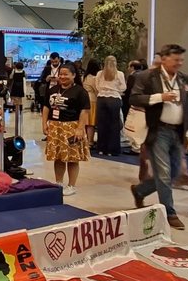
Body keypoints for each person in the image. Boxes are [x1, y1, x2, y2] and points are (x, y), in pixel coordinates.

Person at [130, 44, 188, 230]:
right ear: (163, 58)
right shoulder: (147, 77)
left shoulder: (183, 79)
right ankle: (169, 213)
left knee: (173, 172)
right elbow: (134, 98)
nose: (179, 63)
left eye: (181, 60)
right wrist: (159, 97)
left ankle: (140, 190)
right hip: (158, 131)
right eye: (175, 60)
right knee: (163, 173)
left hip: (177, 131)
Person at [42, 62, 90, 196]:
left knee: (72, 157)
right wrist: (44, 123)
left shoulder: (80, 91)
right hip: (55, 127)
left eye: (66, 74)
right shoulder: (53, 90)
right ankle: (58, 183)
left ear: (74, 75)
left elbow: (84, 111)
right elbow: (46, 107)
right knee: (58, 157)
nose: (62, 76)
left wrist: (80, 128)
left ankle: (72, 185)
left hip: (72, 127)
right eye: (60, 74)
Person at [93, 55, 126, 156]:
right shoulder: (119, 74)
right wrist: (115, 90)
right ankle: (113, 150)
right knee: (114, 125)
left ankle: (101, 149)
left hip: (102, 98)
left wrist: (104, 90)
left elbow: (97, 86)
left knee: (102, 125)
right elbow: (123, 87)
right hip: (114, 98)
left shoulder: (100, 73)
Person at [82, 59, 101, 145]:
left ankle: (85, 139)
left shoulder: (84, 76)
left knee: (85, 122)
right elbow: (97, 90)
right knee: (91, 123)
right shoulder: (95, 78)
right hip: (93, 101)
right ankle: (90, 141)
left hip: (84, 100)